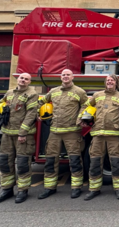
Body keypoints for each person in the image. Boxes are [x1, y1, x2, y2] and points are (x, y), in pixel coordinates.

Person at [37, 69, 88, 200]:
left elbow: (86, 106)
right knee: (50, 160)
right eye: (63, 75)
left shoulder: (79, 92)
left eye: (68, 75)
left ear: (72, 77)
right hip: (54, 131)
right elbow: (41, 102)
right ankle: (49, 187)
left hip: (72, 132)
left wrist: (81, 119)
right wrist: (39, 113)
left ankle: (76, 188)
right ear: (61, 77)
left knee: (75, 160)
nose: (65, 77)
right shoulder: (53, 92)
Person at [81, 74, 119, 200]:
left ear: (116, 83)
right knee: (95, 163)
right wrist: (81, 119)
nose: (109, 82)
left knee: (116, 163)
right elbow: (86, 107)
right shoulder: (97, 96)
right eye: (108, 80)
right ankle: (94, 189)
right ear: (105, 83)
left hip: (114, 136)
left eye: (112, 80)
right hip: (98, 135)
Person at [0, 73, 38, 204]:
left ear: (29, 81)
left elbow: (31, 114)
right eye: (21, 78)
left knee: (23, 164)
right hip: (7, 134)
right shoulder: (10, 92)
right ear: (18, 79)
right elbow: (0, 104)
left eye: (26, 79)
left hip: (23, 136)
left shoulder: (32, 94)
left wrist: (22, 133)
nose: (23, 80)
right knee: (5, 162)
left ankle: (23, 191)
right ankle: (7, 190)